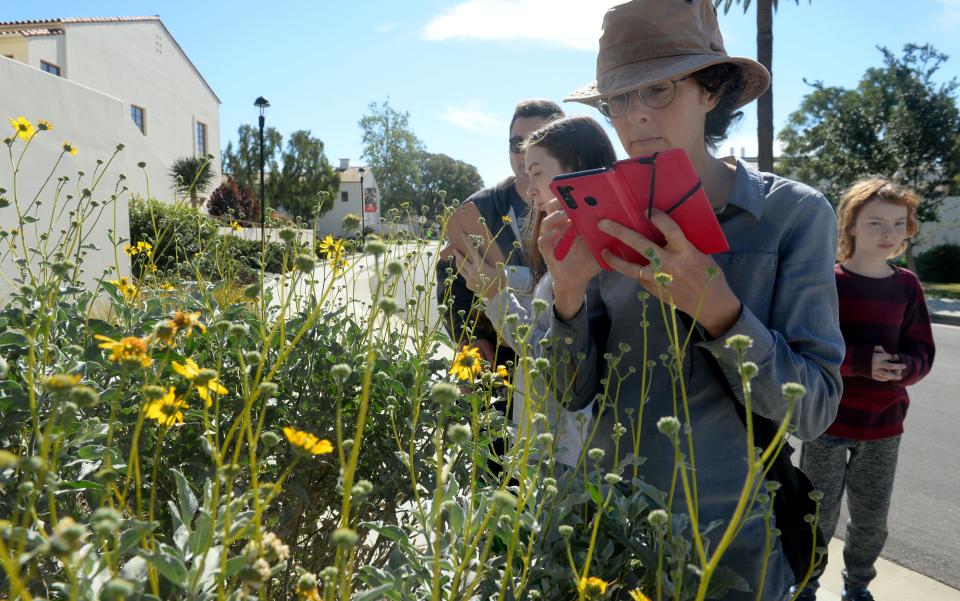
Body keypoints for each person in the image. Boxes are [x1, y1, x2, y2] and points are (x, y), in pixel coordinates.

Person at [534, 1, 845, 599]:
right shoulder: (598, 214)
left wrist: (720, 310)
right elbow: (569, 393)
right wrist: (567, 295)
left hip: (736, 555)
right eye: (617, 100)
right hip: (609, 545)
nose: (634, 119)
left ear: (712, 89)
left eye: (658, 90)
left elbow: (815, 409)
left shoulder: (790, 215)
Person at [796, 179, 936, 601]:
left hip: (884, 426)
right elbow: (807, 345)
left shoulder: (907, 286)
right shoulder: (829, 281)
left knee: (871, 517)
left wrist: (903, 368)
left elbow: (922, 350)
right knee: (816, 514)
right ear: (850, 225)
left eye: (898, 223)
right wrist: (859, 363)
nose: (888, 233)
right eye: (875, 222)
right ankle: (804, 584)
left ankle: (857, 587)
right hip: (828, 421)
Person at [452, 115, 617, 467]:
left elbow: (558, 361)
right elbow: (547, 341)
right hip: (546, 441)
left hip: (568, 455)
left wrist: (496, 294)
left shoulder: (593, 255)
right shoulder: (576, 245)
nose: (528, 188)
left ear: (573, 170)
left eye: (537, 172)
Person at [436, 99, 564, 367]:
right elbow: (452, 283)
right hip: (497, 365)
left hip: (560, 360)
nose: (525, 153)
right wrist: (471, 338)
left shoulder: (581, 204)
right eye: (517, 144)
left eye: (537, 142)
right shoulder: (478, 209)